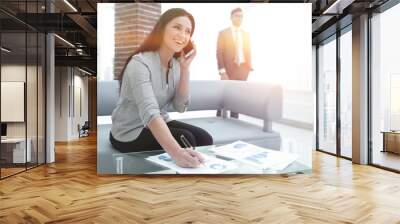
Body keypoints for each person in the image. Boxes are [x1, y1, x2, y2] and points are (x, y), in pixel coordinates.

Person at [110, 8, 213, 168]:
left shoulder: (177, 65)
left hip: (160, 121)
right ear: (162, 28)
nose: (183, 35)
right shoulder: (139, 63)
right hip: (129, 130)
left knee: (204, 138)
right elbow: (150, 112)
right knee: (186, 139)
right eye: (177, 27)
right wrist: (177, 154)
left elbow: (180, 107)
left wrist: (186, 69)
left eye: (188, 31)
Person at [216, 7, 252, 119]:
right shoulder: (223, 33)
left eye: (241, 16)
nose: (239, 18)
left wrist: (248, 68)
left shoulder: (246, 34)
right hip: (228, 70)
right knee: (224, 96)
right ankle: (218, 119)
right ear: (231, 17)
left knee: (237, 99)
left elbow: (248, 51)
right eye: (237, 16)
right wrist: (222, 72)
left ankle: (234, 121)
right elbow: (219, 52)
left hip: (243, 70)